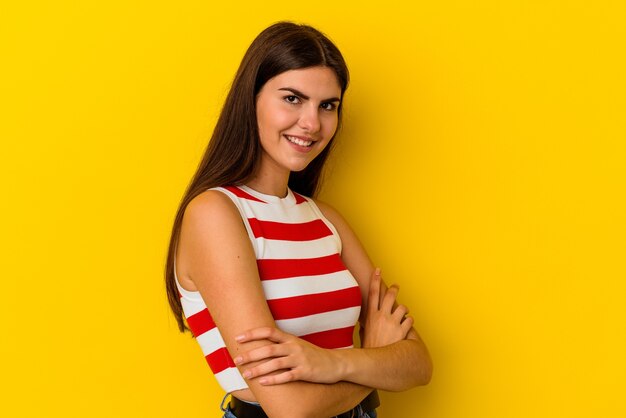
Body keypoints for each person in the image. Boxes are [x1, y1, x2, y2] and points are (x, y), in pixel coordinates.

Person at [165, 21, 432, 418]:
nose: (312, 123)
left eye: (328, 105)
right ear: (250, 99)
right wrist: (374, 361)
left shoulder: (326, 219)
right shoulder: (215, 214)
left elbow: (419, 364)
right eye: (292, 98)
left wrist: (333, 363)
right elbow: (290, 409)